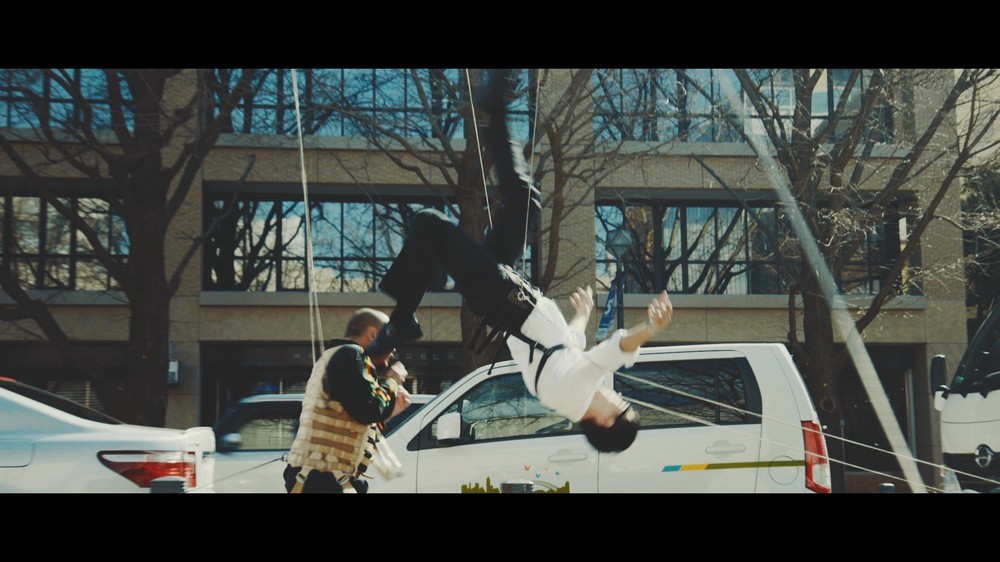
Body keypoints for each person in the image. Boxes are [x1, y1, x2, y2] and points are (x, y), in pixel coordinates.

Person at [367, 69, 674, 453]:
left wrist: (650, 328)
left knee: (430, 223)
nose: (619, 397)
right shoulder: (569, 388)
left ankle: (400, 322)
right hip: (504, 291)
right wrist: (582, 314)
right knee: (525, 199)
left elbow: (613, 350)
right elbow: (570, 343)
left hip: (498, 293)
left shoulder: (575, 390)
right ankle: (494, 108)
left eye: (622, 406)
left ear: (608, 420)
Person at [283, 307, 412, 493]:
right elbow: (369, 409)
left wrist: (390, 410)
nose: (393, 350)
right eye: (390, 339)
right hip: (322, 480)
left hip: (321, 478)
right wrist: (392, 381)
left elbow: (355, 416)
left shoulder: (340, 356)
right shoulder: (351, 354)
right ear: (373, 334)